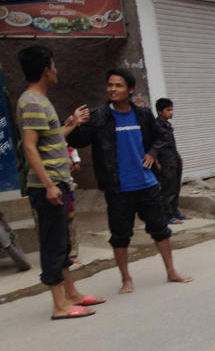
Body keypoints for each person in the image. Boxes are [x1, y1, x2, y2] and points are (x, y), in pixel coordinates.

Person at [68, 69, 192, 294]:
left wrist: (153, 152)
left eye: (118, 85)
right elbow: (80, 140)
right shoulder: (99, 117)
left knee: (160, 230)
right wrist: (74, 124)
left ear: (130, 90)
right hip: (118, 188)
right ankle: (126, 279)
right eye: (110, 85)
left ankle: (172, 271)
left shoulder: (143, 115)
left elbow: (161, 135)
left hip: (147, 184)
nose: (112, 89)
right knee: (120, 236)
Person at [16, 46, 104, 319]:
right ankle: (60, 304)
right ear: (46, 70)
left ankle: (72, 294)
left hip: (58, 182)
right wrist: (50, 185)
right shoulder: (31, 102)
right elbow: (30, 148)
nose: (57, 70)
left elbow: (51, 139)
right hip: (48, 186)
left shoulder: (41, 101)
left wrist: (71, 124)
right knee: (53, 244)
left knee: (63, 242)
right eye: (54, 65)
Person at [154, 98, 187, 225]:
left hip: (174, 159)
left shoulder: (168, 125)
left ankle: (175, 211)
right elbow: (152, 145)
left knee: (176, 187)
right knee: (168, 189)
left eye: (172, 109)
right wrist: (156, 161)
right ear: (160, 112)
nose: (171, 112)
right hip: (165, 162)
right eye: (168, 110)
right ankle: (167, 216)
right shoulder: (155, 126)